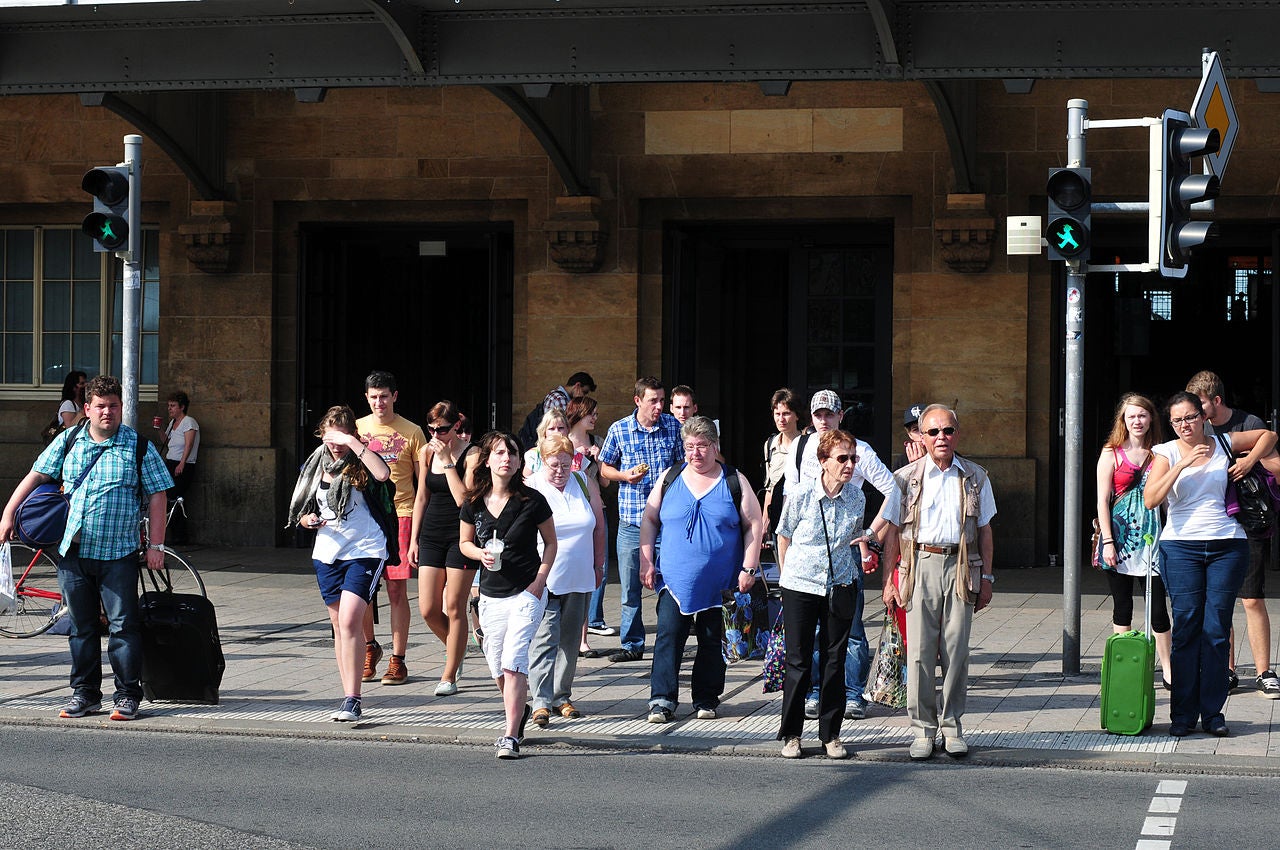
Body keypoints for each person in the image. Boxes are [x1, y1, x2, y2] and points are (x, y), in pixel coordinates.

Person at [1, 375, 173, 722]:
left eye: (114, 406)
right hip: (73, 552)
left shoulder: (139, 446)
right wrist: (7, 515)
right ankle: (85, 694)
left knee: (123, 627)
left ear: (121, 408)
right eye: (101, 406)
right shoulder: (69, 440)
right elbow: (36, 475)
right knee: (81, 628)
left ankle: (127, 695)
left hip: (118, 553)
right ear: (88, 409)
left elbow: (158, 495)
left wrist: (157, 545)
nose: (108, 412)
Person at [1143, 391, 1278, 737]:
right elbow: (1151, 499)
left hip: (1227, 544)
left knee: (1216, 631)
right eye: (1177, 420)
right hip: (1181, 547)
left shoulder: (1224, 441)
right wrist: (1182, 465)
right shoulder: (1166, 452)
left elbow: (1269, 435)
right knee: (1186, 629)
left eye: (1190, 417)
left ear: (1203, 416)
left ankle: (1213, 713)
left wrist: (1249, 461)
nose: (1184, 425)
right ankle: (1183, 714)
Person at [882, 404, 996, 760]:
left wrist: (988, 576)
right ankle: (922, 731)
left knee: (956, 651)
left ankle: (952, 728)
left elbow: (985, 530)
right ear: (922, 436)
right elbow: (892, 532)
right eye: (933, 432)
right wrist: (888, 581)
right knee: (918, 653)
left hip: (961, 565)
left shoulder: (975, 476)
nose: (941, 437)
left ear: (957, 435)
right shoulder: (905, 478)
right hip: (919, 564)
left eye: (947, 431)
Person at [640, 416, 763, 724]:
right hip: (673, 580)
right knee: (668, 637)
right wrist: (646, 560)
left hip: (720, 582)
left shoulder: (734, 480)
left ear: (715, 445)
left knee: (711, 640)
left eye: (702, 446)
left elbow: (754, 524)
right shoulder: (670, 477)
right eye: (689, 446)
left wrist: (749, 567)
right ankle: (662, 699)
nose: (695, 453)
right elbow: (650, 520)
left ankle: (706, 698)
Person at [784, 389, 893, 721]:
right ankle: (815, 692)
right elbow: (789, 504)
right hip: (807, 558)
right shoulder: (800, 447)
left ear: (841, 415)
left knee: (852, 629)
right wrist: (787, 568)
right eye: (818, 415)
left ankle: (852, 693)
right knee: (814, 634)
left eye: (829, 414)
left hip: (844, 554)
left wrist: (871, 535)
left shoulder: (859, 451)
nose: (823, 420)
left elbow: (893, 490)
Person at [287, 405, 395, 723]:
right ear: (321, 435)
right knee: (339, 627)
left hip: (365, 549)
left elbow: (383, 474)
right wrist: (307, 519)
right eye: (329, 437)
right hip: (328, 553)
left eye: (341, 437)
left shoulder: (362, 461)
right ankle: (347, 693)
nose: (335, 444)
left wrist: (353, 444)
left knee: (349, 622)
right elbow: (305, 508)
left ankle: (353, 698)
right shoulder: (315, 465)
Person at [459, 431, 557, 760]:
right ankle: (520, 709)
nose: (507, 458)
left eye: (512, 453)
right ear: (487, 460)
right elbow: (464, 543)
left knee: (514, 661)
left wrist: (540, 581)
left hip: (527, 591)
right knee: (497, 666)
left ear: (519, 461)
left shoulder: (532, 500)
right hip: (491, 594)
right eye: (500, 452)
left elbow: (551, 543)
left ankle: (510, 734)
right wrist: (479, 554)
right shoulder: (473, 502)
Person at [775, 429, 870, 759]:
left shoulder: (857, 497)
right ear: (823, 461)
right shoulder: (801, 494)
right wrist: (786, 576)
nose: (849, 465)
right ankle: (791, 734)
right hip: (800, 585)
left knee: (835, 660)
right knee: (798, 661)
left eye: (853, 458)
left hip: (841, 584)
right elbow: (783, 535)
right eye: (842, 458)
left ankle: (831, 734)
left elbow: (854, 536)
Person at [1186, 370, 1279, 698]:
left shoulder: (1248, 424)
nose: (1193, 413)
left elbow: (1276, 461)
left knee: (1252, 597)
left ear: (1216, 400)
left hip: (1249, 521)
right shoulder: (1198, 429)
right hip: (1214, 521)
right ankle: (1225, 670)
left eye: (1199, 405)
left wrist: (1249, 460)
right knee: (1218, 599)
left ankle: (1264, 672)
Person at [598, 376, 684, 663]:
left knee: (669, 585)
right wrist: (624, 475)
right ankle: (632, 644)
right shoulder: (619, 429)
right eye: (653, 401)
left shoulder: (673, 426)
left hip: (666, 521)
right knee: (630, 587)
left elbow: (683, 465)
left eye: (662, 400)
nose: (659, 406)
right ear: (637, 401)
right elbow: (605, 468)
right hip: (632, 520)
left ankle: (668, 642)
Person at [527, 434, 606, 727]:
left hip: (580, 573)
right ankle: (540, 701)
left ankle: (561, 696)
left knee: (570, 640)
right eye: (553, 465)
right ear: (542, 462)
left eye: (565, 464)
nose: (560, 471)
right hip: (545, 576)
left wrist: (598, 564)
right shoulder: (532, 487)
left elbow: (598, 526)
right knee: (544, 638)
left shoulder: (583, 481)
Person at [1094, 393, 1172, 683]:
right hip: (1120, 540)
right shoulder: (1111, 453)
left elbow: (1167, 500)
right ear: (1123, 421)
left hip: (1153, 539)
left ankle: (1168, 669)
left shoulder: (1162, 452)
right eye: (1131, 416)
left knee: (1159, 609)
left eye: (1142, 415)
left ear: (1151, 418)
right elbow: (1102, 501)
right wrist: (1108, 542)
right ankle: (1124, 671)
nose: (1137, 421)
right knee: (1122, 605)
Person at [355, 371, 426, 686]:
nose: (379, 402)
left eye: (384, 396)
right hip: (365, 517)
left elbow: (423, 485)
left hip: (401, 514)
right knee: (362, 589)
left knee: (397, 590)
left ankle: (398, 659)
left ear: (394, 396)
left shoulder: (413, 432)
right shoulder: (356, 429)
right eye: (373, 397)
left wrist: (418, 532)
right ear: (366, 398)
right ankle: (369, 647)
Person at [408, 400, 479, 696]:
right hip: (431, 534)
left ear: (457, 426)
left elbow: (464, 499)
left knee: (454, 606)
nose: (436, 435)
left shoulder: (472, 454)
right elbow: (421, 496)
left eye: (443, 429)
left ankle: (449, 675)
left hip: (461, 535)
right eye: (432, 429)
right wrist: (413, 538)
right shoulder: (427, 451)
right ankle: (456, 650)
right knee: (427, 609)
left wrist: (448, 460)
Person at [566, 395, 614, 654]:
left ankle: (584, 637)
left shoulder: (598, 442)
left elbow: (605, 482)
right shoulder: (563, 442)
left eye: (596, 414)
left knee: (597, 568)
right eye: (590, 414)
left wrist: (597, 460)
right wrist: (575, 458)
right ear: (578, 414)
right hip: (569, 510)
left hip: (595, 510)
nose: (594, 418)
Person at [760, 387, 802, 545]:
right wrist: (765, 523)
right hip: (779, 519)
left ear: (797, 415)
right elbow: (769, 488)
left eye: (786, 413)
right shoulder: (770, 445)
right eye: (777, 414)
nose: (781, 419)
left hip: (803, 521)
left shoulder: (809, 444)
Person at [517, 371, 596, 451]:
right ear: (577, 386)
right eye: (584, 392)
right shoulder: (559, 399)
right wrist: (578, 402)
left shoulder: (556, 396)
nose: (583, 396)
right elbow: (569, 423)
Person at [160, 391, 200, 544]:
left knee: (175, 497)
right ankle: (175, 533)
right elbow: (166, 441)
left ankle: (180, 535)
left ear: (182, 407)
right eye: (169, 405)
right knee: (169, 497)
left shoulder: (189, 422)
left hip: (183, 464)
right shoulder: (172, 423)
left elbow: (189, 444)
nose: (169, 409)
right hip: (170, 462)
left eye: (173, 406)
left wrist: (182, 463)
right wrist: (159, 429)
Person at [521, 407, 570, 481]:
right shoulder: (534, 456)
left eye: (561, 428)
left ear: (568, 429)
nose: (556, 432)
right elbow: (526, 483)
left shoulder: (577, 456)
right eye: (551, 429)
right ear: (544, 432)